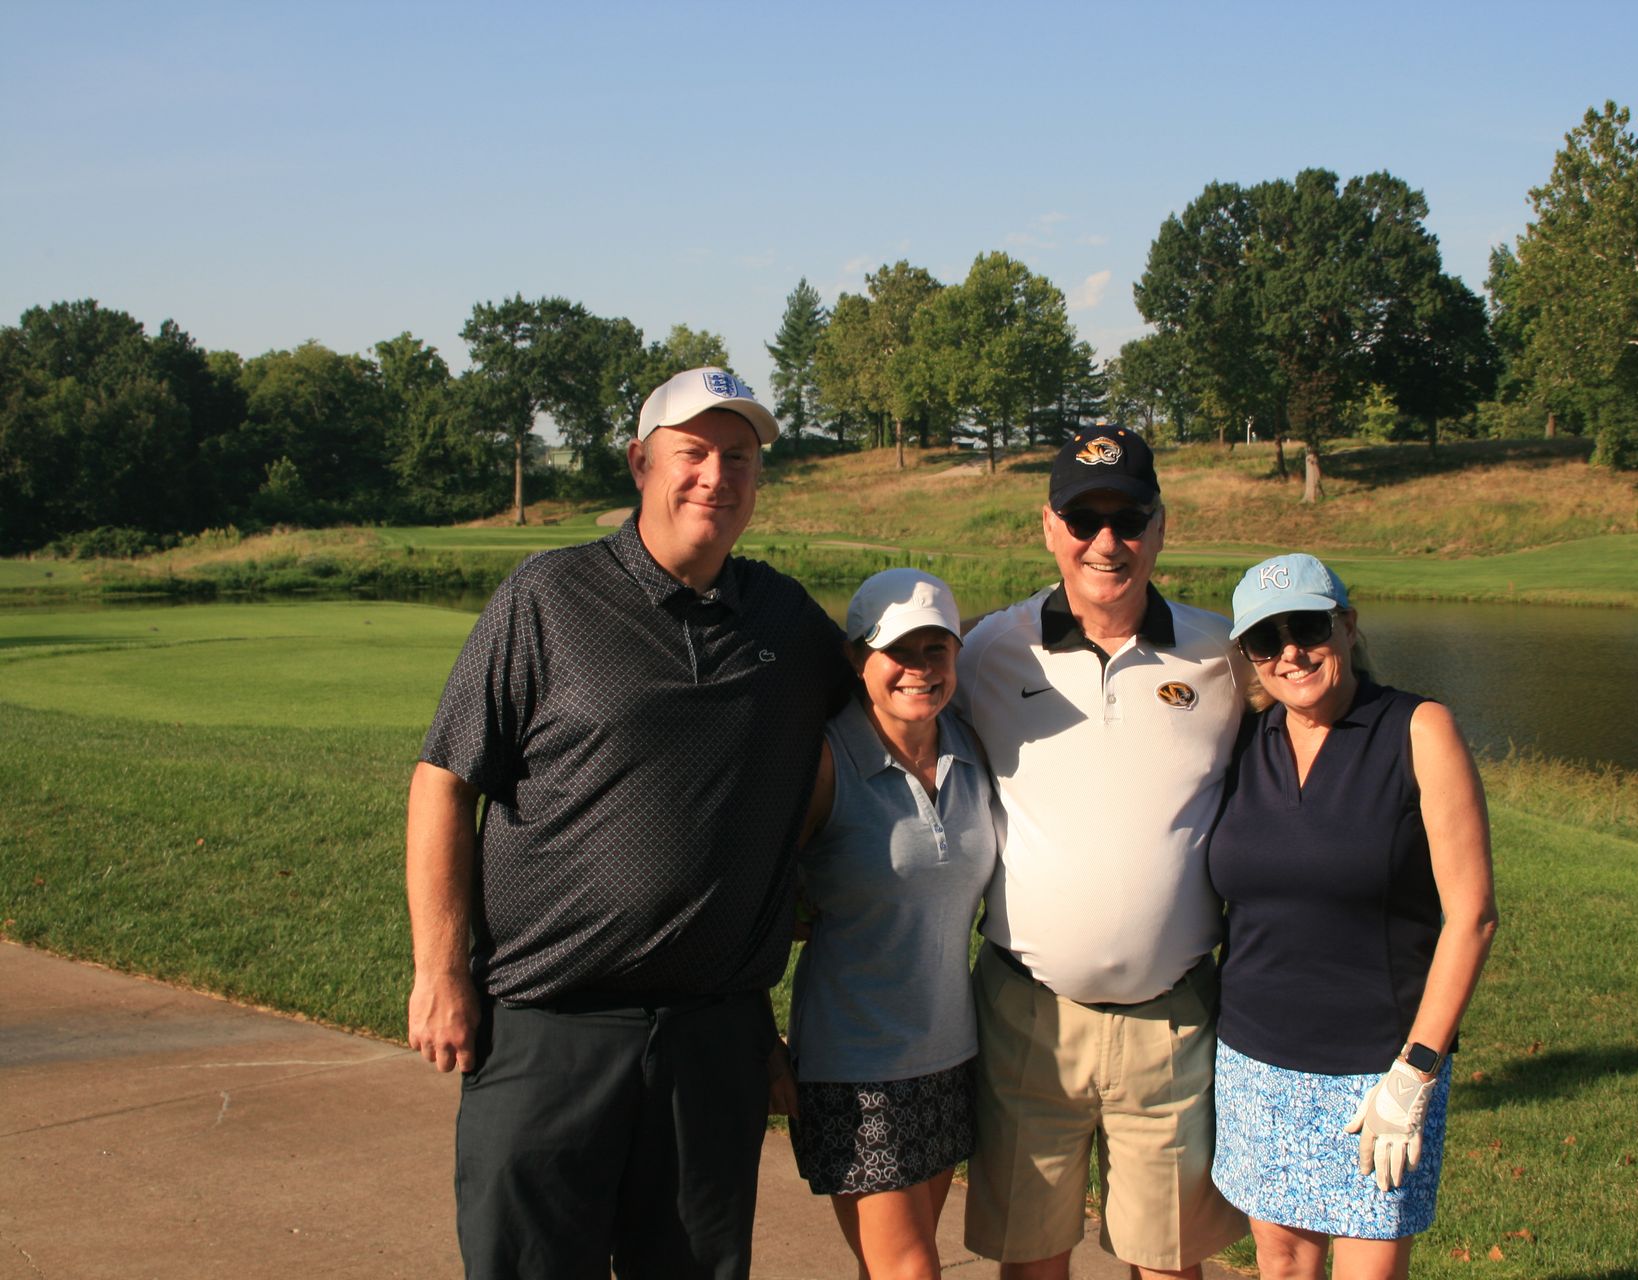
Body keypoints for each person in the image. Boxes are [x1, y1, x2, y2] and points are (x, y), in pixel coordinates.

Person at [404, 367, 848, 1280]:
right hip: (546, 1029)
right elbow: (444, 783)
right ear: (642, 464)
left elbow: (878, 715)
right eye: (692, 454)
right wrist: (441, 971)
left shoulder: (786, 622)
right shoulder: (547, 598)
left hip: (713, 1040)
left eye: (738, 458)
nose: (715, 477)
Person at [954, 425, 1250, 1279]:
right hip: (1028, 1016)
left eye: (1129, 519)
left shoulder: (1222, 655)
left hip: (1174, 1015)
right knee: (1033, 1260)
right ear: (1049, 526)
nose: (1106, 543)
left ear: (1161, 528)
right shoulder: (987, 652)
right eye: (1084, 521)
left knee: (1166, 1263)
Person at [1206, 553, 1498, 1280]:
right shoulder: (1246, 740)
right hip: (1254, 1059)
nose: (1291, 654)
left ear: (1347, 624)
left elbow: (1473, 916)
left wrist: (1416, 1071)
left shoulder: (1418, 729)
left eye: (1307, 627)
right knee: (1280, 1263)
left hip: (1378, 1070)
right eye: (1265, 642)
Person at [781, 567, 998, 1280]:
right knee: (910, 1269)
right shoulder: (826, 759)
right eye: (897, 651)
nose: (919, 669)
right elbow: (753, 899)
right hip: (854, 1067)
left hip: (949, 1055)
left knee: (900, 1265)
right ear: (856, 658)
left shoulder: (971, 749)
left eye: (937, 650)